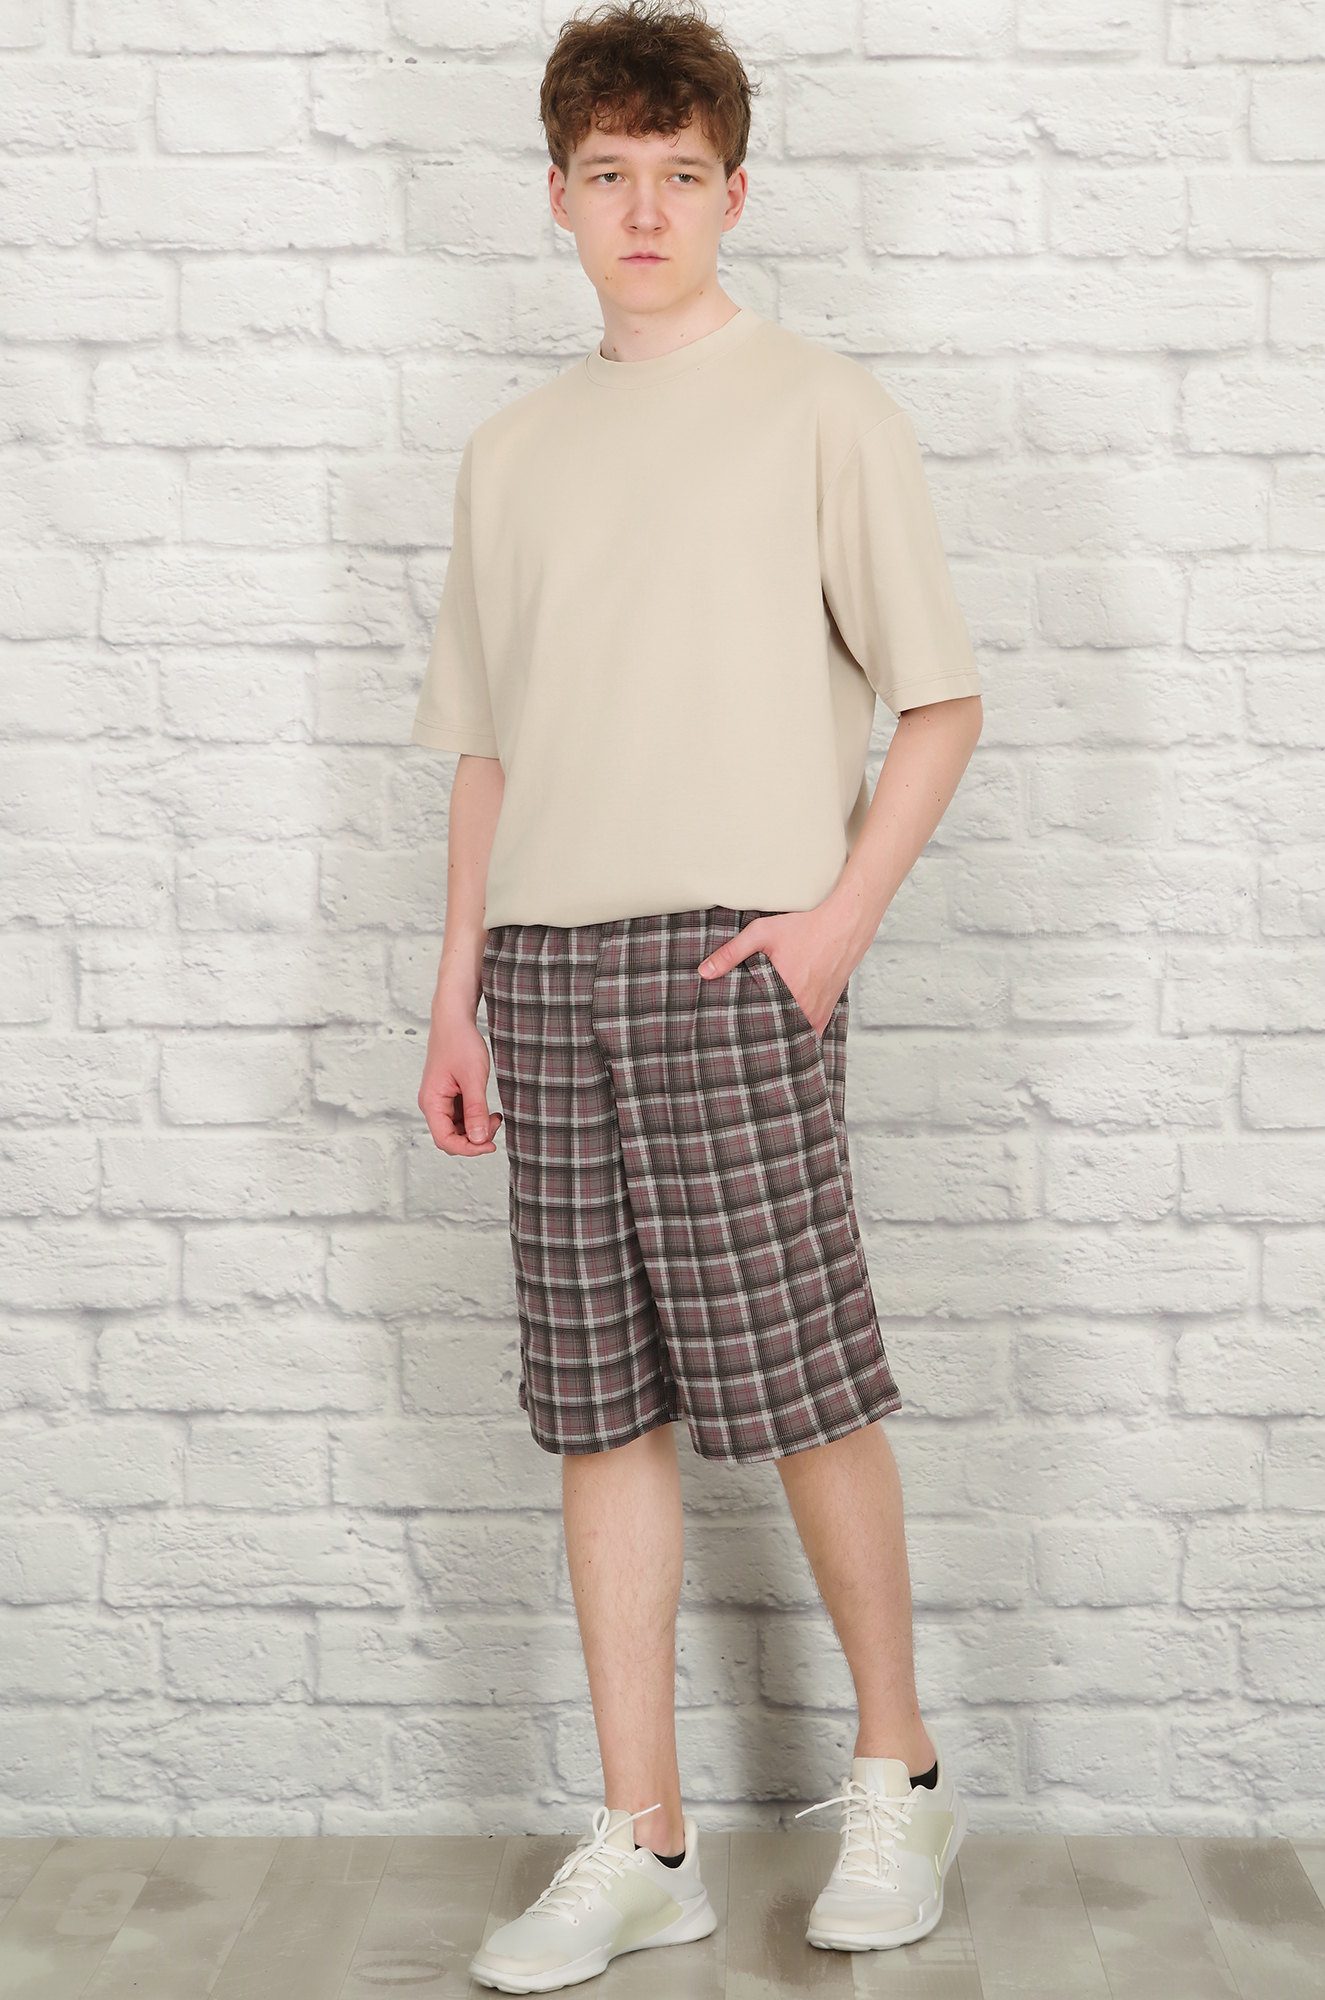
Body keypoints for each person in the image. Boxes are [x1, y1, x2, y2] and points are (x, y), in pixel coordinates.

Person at [413, 2, 983, 1989]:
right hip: (544, 971)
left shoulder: (822, 409)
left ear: (735, 192)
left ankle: (899, 1774)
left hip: (738, 952)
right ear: (556, 196)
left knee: (804, 1381)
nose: (642, 210)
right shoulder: (510, 454)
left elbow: (939, 700)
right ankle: (644, 1833)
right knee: (601, 1409)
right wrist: (455, 994)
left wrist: (833, 926)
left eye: (677, 175)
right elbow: (488, 747)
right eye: (607, 176)